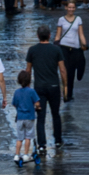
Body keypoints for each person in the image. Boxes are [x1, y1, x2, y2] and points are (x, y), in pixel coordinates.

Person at [25, 24, 68, 155]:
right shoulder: (56, 50)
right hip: (54, 86)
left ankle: (42, 145)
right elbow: (62, 69)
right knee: (56, 114)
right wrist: (65, 85)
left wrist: (27, 89)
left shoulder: (32, 50)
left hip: (39, 88)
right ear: (50, 35)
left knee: (41, 117)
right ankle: (58, 140)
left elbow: (28, 71)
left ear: (38, 36)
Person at [54, 0, 88, 101]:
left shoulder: (78, 19)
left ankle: (69, 92)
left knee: (74, 70)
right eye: (69, 7)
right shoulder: (61, 20)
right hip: (64, 47)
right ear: (66, 8)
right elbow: (58, 35)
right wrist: (55, 46)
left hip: (75, 48)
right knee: (67, 71)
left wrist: (84, 44)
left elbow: (80, 34)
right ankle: (67, 94)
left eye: (73, 7)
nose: (71, 9)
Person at [10, 70, 40, 166]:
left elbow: (14, 104)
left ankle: (16, 154)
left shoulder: (17, 92)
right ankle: (26, 154)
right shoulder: (31, 91)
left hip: (20, 118)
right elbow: (37, 102)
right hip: (29, 117)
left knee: (19, 138)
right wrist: (38, 107)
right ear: (29, 81)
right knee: (28, 137)